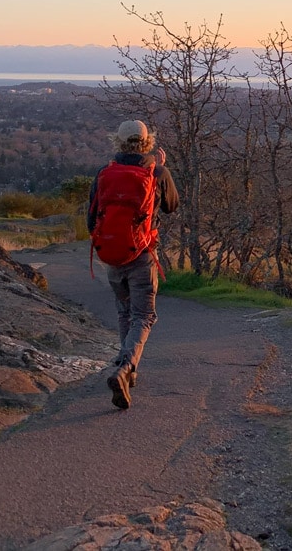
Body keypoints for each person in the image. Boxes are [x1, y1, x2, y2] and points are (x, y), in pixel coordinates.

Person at [87, 119, 179, 409]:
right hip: (142, 253)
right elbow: (172, 206)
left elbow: (91, 219)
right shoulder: (157, 172)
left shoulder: (105, 173)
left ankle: (128, 367)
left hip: (112, 253)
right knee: (144, 316)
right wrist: (163, 170)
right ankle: (126, 367)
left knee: (124, 311)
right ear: (147, 141)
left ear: (119, 141)